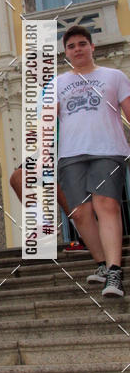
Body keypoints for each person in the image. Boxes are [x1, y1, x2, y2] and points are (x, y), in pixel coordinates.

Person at [57, 25, 130, 298]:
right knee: (79, 213)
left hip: (107, 149)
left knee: (106, 204)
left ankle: (115, 272)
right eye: (71, 46)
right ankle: (102, 264)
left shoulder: (114, 76)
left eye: (82, 44)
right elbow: (46, 121)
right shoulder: (57, 83)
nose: (77, 49)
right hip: (71, 154)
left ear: (92, 47)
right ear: (66, 53)